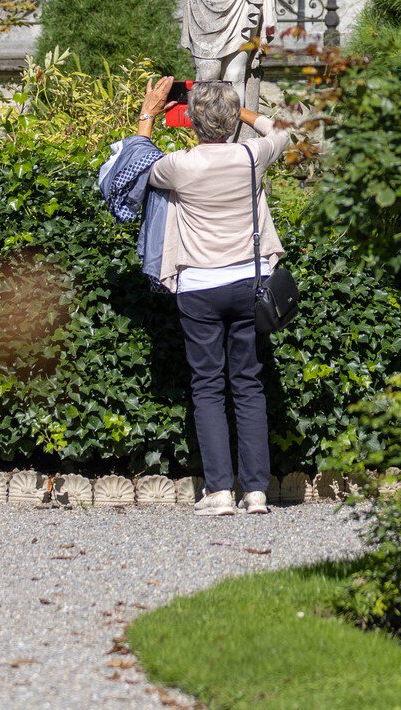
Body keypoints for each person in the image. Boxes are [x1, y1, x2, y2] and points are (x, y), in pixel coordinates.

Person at [134, 73, 293, 517]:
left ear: (193, 122)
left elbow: (137, 159)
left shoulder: (181, 165)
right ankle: (256, 492)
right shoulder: (251, 157)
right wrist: (237, 108)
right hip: (250, 283)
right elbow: (280, 129)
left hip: (200, 288)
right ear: (228, 123)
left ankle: (219, 491)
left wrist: (149, 112)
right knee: (249, 384)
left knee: (207, 386)